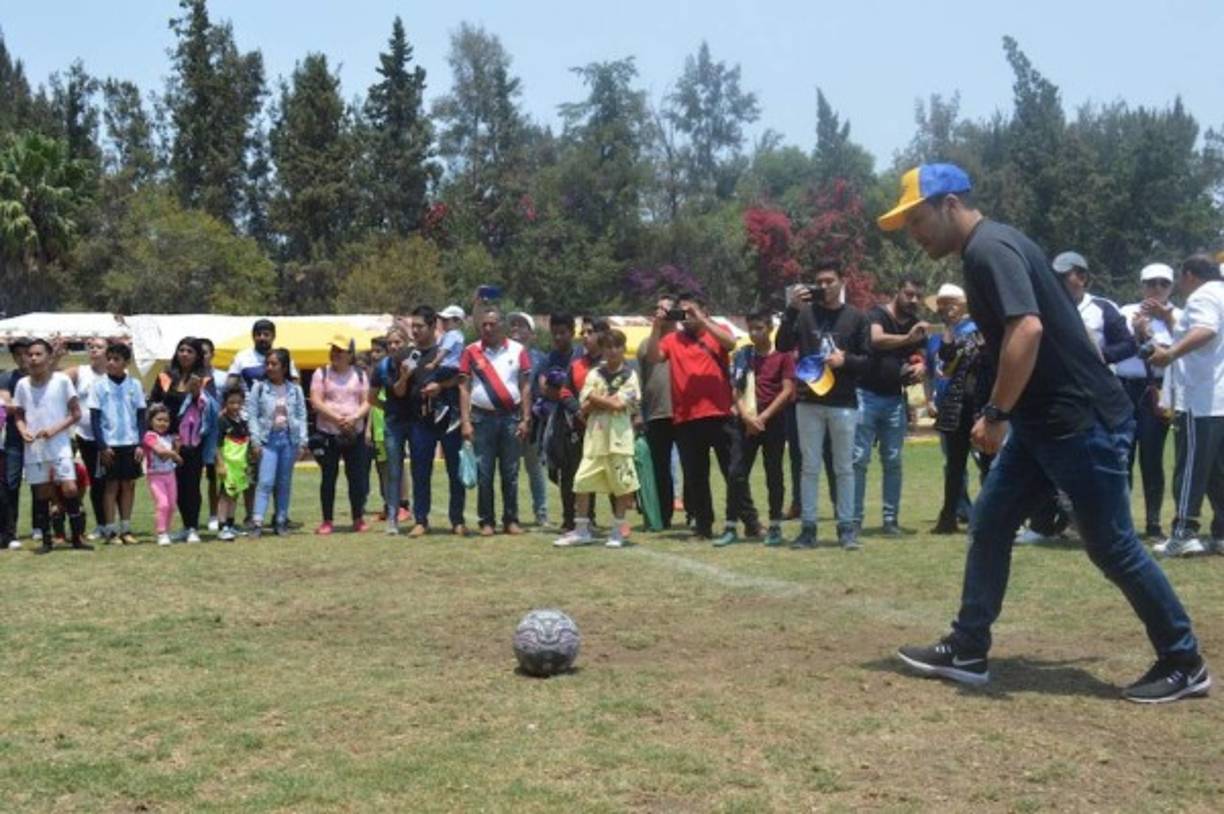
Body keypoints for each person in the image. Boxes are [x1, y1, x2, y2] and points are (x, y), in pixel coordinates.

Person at [883, 162, 1208, 703]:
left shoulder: (988, 250)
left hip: (1078, 420)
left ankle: (1184, 659)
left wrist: (996, 411)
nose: (913, 234)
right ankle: (967, 647)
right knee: (990, 521)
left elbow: (1027, 328)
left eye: (916, 220)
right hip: (1045, 423)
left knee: (1112, 546)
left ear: (949, 205)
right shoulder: (989, 247)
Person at [776, 261, 872, 549]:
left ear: (842, 281)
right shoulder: (804, 315)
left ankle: (846, 528)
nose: (825, 286)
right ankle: (808, 528)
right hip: (809, 400)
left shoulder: (856, 317)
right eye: (820, 281)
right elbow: (781, 346)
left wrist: (846, 361)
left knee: (844, 466)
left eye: (830, 280)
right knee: (809, 467)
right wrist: (791, 309)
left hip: (843, 402)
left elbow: (868, 361)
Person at [645, 291, 739, 540]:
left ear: (704, 311)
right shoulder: (673, 339)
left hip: (719, 414)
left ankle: (745, 519)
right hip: (686, 418)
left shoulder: (715, 330)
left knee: (733, 472)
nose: (686, 317)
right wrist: (657, 326)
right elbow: (654, 357)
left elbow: (731, 343)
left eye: (691, 311)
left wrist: (703, 320)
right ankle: (703, 526)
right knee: (696, 476)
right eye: (682, 312)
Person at [1148, 255, 1224, 557]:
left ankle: (1184, 531)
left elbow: (1206, 329)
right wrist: (1170, 320)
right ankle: (1221, 533)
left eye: (1180, 278)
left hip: (1201, 398)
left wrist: (1171, 353)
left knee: (1190, 466)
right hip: (1220, 399)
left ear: (1190, 275)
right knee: (1218, 471)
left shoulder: (1202, 295)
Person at [854, 276, 928, 535]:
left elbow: (922, 355)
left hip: (895, 398)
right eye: (909, 294)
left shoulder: (916, 324)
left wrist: (921, 365)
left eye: (918, 296)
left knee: (893, 460)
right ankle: (854, 520)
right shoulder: (877, 314)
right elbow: (876, 339)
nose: (914, 300)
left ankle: (890, 520)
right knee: (859, 459)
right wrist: (908, 338)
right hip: (866, 395)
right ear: (897, 291)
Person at [553, 329, 641, 548]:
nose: (612, 351)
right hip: (595, 438)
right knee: (581, 482)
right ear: (602, 349)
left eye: (616, 346)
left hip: (619, 439)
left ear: (623, 349)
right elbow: (584, 406)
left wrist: (597, 398)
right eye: (608, 347)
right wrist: (605, 400)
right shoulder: (594, 374)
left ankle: (617, 531)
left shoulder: (630, 375)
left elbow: (621, 404)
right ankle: (582, 530)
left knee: (621, 486)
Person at [1116, 263, 1182, 540]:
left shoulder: (1179, 315)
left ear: (1171, 286)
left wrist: (1162, 325)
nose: (1156, 289)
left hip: (1157, 389)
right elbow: (1114, 350)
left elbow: (1185, 349)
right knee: (1123, 456)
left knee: (1152, 458)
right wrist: (1134, 332)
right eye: (1151, 283)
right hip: (1125, 388)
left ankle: (1154, 523)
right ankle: (1122, 522)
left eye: (1163, 284)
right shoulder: (1125, 311)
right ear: (1141, 285)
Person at [721, 310, 795, 547]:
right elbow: (734, 390)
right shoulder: (743, 355)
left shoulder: (783, 356)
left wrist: (763, 417)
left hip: (773, 424)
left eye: (759, 328)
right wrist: (746, 417)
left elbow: (787, 390)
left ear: (770, 328)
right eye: (750, 328)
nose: (754, 333)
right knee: (735, 473)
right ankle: (731, 526)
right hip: (744, 425)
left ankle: (774, 526)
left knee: (774, 474)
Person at [12, 338, 91, 553]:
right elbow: (18, 414)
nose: (34, 358)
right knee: (42, 494)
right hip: (35, 447)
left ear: (49, 358)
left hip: (59, 444)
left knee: (70, 488)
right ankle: (47, 541)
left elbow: (76, 414)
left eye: (38, 354)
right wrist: (22, 430)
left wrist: (54, 430)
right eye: (30, 355)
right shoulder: (22, 385)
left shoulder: (62, 381)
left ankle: (77, 537)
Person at [459, 307, 532, 536]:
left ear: (503, 326)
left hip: (511, 417)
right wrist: (465, 421)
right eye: (484, 325)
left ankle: (511, 519)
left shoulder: (518, 350)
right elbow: (463, 387)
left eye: (492, 324)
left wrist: (526, 418)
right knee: (484, 472)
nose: (488, 329)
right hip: (481, 418)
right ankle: (486, 521)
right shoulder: (471, 351)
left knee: (510, 472)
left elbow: (525, 386)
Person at [929, 284, 994, 534]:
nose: (947, 307)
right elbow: (945, 357)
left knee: (989, 462)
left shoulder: (981, 326)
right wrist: (947, 326)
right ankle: (949, 516)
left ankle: (990, 516)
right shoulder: (950, 332)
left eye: (951, 302)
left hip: (981, 402)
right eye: (943, 303)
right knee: (955, 465)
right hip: (957, 404)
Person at [404, 306, 467, 537]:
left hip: (450, 419)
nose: (415, 331)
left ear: (433, 327)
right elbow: (400, 390)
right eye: (413, 327)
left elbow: (462, 380)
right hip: (421, 421)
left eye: (419, 326)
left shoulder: (449, 350)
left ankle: (457, 520)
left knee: (455, 471)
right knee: (420, 471)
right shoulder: (410, 355)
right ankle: (421, 520)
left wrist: (440, 387)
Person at [150, 337, 216, 543]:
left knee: (192, 485)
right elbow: (153, 404)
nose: (185, 354)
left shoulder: (205, 379)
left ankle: (193, 527)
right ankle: (185, 526)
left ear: (197, 356)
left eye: (190, 351)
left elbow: (211, 409)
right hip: (168, 441)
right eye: (181, 350)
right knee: (174, 485)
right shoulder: (164, 377)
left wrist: (197, 394)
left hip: (192, 442)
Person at [309, 336, 371, 535]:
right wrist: (337, 418)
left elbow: (368, 401)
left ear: (350, 354)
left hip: (355, 433)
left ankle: (358, 517)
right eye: (333, 349)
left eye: (340, 350)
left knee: (357, 478)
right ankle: (327, 520)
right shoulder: (322, 373)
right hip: (328, 432)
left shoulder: (360, 375)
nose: (335, 353)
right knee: (328, 477)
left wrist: (353, 418)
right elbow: (316, 401)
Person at [88, 342, 147, 545]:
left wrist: (140, 443)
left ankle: (126, 529)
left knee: (128, 485)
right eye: (109, 359)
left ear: (126, 362)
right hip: (110, 444)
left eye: (116, 359)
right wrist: (102, 446)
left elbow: (141, 416)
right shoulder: (99, 386)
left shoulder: (135, 385)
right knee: (110, 486)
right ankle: (110, 531)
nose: (111, 363)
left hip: (130, 443)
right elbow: (94, 419)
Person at [248, 348, 308, 537]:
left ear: (284, 367)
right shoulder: (259, 388)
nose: (270, 367)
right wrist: (256, 441)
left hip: (288, 439)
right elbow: (252, 416)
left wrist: (302, 442)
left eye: (274, 364)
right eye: (268, 363)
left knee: (284, 482)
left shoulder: (295, 390)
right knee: (265, 481)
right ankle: (257, 521)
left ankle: (281, 519)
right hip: (268, 439)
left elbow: (301, 415)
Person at [637, 296, 682, 530]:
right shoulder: (646, 345)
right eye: (660, 309)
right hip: (656, 413)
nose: (664, 313)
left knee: (692, 465)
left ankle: (696, 513)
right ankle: (662, 516)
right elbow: (640, 382)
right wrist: (638, 413)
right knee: (660, 469)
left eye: (669, 309)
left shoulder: (684, 340)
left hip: (684, 413)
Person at [538, 312, 584, 531]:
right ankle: (568, 518)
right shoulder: (549, 359)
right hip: (558, 421)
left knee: (584, 470)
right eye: (554, 333)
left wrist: (565, 394)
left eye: (562, 333)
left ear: (572, 333)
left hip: (581, 418)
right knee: (563, 470)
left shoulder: (581, 356)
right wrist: (562, 393)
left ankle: (587, 516)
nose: (558, 337)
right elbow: (544, 388)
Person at [369, 326, 414, 534]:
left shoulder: (416, 361)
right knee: (393, 472)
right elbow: (371, 398)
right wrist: (386, 407)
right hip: (393, 423)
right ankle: (392, 519)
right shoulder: (381, 367)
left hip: (416, 422)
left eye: (398, 342)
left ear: (406, 343)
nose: (394, 346)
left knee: (420, 470)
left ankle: (420, 518)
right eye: (390, 343)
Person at [509, 311, 549, 527]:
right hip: (508, 420)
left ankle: (541, 512)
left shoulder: (540, 358)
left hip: (532, 422)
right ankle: (511, 513)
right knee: (511, 469)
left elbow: (543, 392)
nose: (516, 328)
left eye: (521, 325)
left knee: (535, 469)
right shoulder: (503, 355)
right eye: (513, 324)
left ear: (531, 334)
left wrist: (534, 415)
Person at [68, 336, 110, 537]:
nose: (94, 349)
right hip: (85, 436)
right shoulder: (80, 371)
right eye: (90, 346)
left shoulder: (118, 373)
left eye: (99, 347)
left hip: (111, 437)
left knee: (114, 482)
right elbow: (53, 380)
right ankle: (101, 524)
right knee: (96, 481)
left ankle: (114, 523)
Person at [1, 337, 31, 549]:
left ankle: (41, 528)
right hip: (13, 438)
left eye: (26, 353)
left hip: (40, 436)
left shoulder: (43, 377)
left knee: (42, 485)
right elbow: (7, 404)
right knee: (11, 484)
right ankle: (9, 533)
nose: (23, 358)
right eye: (17, 354)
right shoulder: (6, 377)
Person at [143, 403, 183, 546]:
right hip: (155, 476)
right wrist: (175, 454)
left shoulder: (169, 437)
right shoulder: (149, 436)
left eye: (165, 420)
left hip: (170, 475)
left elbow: (172, 455)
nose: (162, 423)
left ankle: (167, 530)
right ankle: (161, 533)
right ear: (151, 421)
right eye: (159, 420)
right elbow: (160, 453)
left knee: (172, 505)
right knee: (163, 504)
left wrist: (177, 448)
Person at [214, 387, 250, 542]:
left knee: (235, 494)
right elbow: (217, 445)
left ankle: (230, 524)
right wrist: (220, 464)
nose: (235, 406)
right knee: (225, 495)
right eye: (231, 402)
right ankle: (222, 527)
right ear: (224, 403)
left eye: (238, 402)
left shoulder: (243, 421)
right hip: (227, 465)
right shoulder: (221, 421)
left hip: (240, 465)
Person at [364, 339, 390, 521]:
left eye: (379, 351)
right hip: (377, 430)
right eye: (372, 351)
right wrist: (368, 429)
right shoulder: (374, 375)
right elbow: (372, 405)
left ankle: (398, 505)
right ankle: (387, 505)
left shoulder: (390, 374)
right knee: (381, 469)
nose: (374, 355)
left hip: (389, 429)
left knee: (391, 469)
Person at [199, 337, 222, 531]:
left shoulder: (222, 377)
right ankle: (192, 517)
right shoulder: (190, 378)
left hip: (218, 433)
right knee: (192, 477)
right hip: (195, 433)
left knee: (215, 476)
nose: (201, 356)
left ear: (212, 354)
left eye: (205, 352)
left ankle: (216, 514)